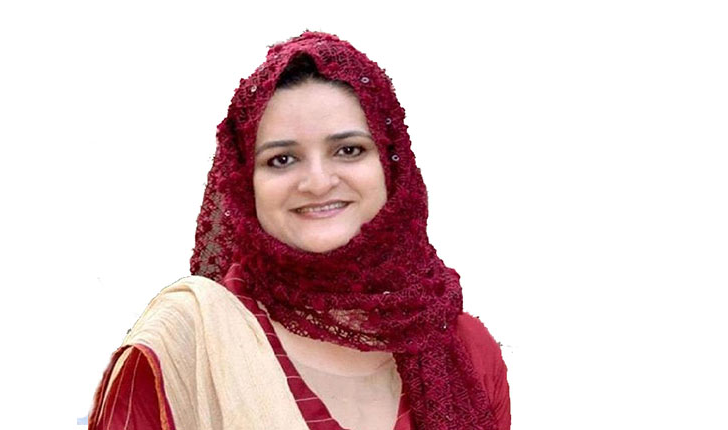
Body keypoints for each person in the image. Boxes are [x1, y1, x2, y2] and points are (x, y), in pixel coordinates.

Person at [88, 31, 510, 430]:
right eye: (282, 159)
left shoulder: (462, 348)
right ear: (244, 184)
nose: (318, 182)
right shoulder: (187, 349)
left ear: (391, 165)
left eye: (349, 150)